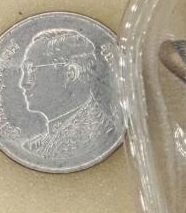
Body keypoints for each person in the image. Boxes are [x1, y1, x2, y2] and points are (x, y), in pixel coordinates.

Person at [18, 28, 117, 161]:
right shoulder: (37, 146)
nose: (24, 83)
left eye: (31, 69)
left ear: (70, 74)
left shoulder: (98, 134)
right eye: (25, 70)